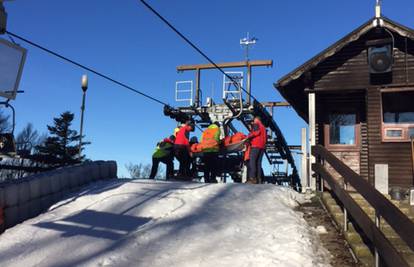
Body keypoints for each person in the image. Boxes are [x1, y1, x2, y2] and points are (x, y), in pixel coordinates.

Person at [246, 116, 267, 184]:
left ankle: (252, 178)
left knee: (252, 162)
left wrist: (249, 136)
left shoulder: (256, 124)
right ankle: (259, 179)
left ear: (257, 119)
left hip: (256, 145)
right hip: (262, 147)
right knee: (258, 163)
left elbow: (256, 132)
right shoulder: (263, 127)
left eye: (254, 119)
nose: (253, 121)